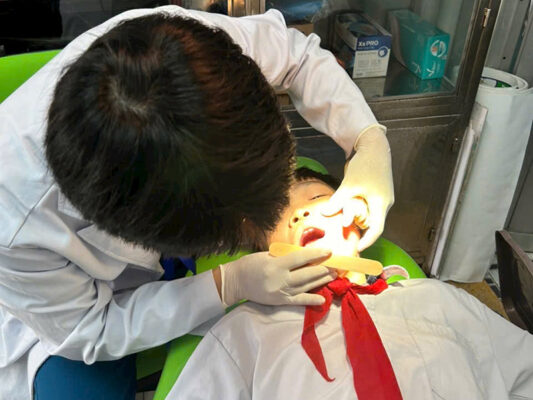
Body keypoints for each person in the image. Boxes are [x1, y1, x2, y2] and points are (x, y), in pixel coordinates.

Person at [0, 5, 394, 400]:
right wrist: (227, 284)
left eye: (318, 197)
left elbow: (299, 57)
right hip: (71, 305)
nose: (302, 212)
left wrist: (367, 139)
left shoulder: (190, 56)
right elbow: (91, 328)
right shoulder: (14, 218)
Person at [167, 168, 533, 400]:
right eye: (277, 217)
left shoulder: (438, 300)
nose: (301, 212)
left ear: (359, 217)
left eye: (316, 197)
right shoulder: (246, 330)